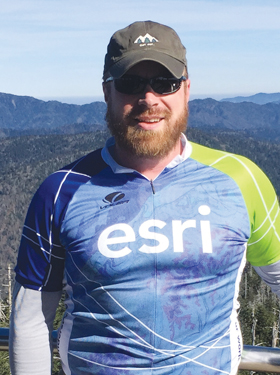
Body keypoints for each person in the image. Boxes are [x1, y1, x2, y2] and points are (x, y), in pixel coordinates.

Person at [9, 20, 280, 375]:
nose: (148, 98)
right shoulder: (59, 192)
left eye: (165, 83)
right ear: (107, 92)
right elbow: (31, 322)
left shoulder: (243, 180)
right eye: (130, 83)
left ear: (186, 90)